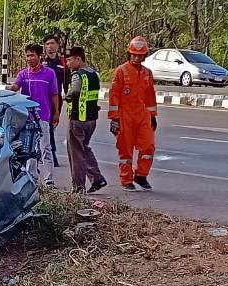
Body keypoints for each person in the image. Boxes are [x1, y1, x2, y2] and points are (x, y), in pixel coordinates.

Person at [108, 36, 157, 190]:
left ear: (144, 56)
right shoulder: (121, 71)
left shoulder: (147, 73)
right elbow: (114, 96)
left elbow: (150, 96)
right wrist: (114, 119)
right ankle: (126, 179)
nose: (136, 57)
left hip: (142, 115)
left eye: (140, 55)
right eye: (134, 54)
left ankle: (141, 175)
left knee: (148, 147)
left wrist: (152, 116)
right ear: (129, 54)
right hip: (124, 116)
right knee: (125, 149)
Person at [11, 43, 59, 186]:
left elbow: (54, 94)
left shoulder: (49, 74)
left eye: (32, 55)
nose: (29, 58)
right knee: (29, 149)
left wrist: (56, 113)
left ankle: (49, 180)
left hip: (43, 117)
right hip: (26, 118)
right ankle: (32, 178)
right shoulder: (23, 74)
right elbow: (16, 86)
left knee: (46, 148)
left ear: (40, 56)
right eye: (27, 55)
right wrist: (9, 89)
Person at [64, 45, 106, 193]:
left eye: (69, 60)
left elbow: (75, 90)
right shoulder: (94, 74)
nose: (67, 64)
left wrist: (66, 97)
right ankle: (97, 179)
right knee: (84, 149)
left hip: (78, 119)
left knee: (75, 153)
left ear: (78, 59)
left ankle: (78, 187)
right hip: (91, 120)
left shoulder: (77, 75)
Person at [43, 36, 69, 170]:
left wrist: (67, 98)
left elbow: (67, 82)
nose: (50, 46)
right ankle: (51, 154)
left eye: (52, 43)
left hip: (57, 98)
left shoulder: (63, 63)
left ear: (57, 45)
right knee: (46, 127)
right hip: (43, 98)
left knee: (51, 126)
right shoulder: (42, 63)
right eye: (47, 44)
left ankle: (47, 151)